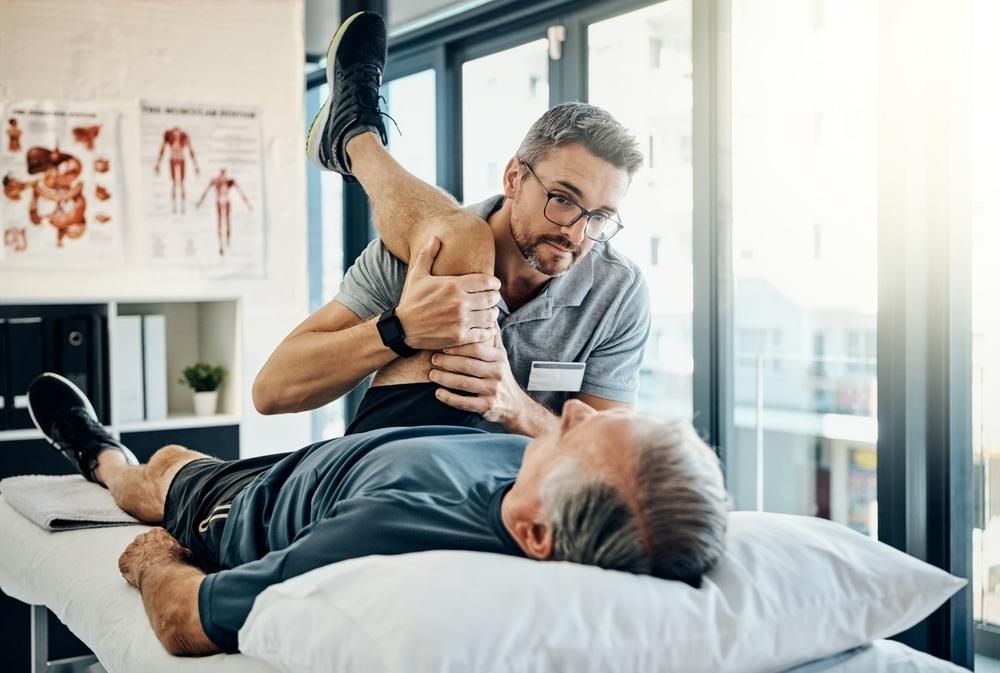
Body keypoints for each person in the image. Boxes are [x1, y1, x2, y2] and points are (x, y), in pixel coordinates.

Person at [28, 372, 727, 656]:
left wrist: (156, 560)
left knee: (162, 469)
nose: (573, 408)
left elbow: (185, 621)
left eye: (577, 432)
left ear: (536, 534)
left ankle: (100, 454)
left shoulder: (390, 534)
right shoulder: (549, 492)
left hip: (245, 503)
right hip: (358, 453)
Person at [254, 11, 650, 438]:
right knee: (458, 238)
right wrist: (399, 328)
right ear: (514, 178)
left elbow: (605, 456)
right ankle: (354, 138)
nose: (575, 232)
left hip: (514, 490)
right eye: (562, 199)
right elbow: (272, 391)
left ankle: (354, 138)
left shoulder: (617, 289)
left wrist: (516, 408)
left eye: (600, 217)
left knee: (457, 234)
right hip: (408, 472)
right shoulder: (420, 256)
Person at [195, 167, 252, 255]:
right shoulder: (216, 181)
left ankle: (228, 241)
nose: (222, 176)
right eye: (221, 174)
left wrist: (247, 203)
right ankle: (221, 245)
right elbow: (206, 191)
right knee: (220, 222)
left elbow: (240, 192)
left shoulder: (230, 181)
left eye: (224, 174)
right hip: (219, 202)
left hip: (226, 201)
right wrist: (200, 202)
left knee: (227, 221)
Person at [155, 126, 200, 214]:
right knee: (174, 183)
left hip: (181, 159)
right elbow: (162, 149)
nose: (176, 135)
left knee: (182, 184)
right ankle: (174, 207)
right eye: (175, 134)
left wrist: (196, 166)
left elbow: (191, 150)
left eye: (178, 133)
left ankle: (182, 206)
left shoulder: (184, 137)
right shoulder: (168, 137)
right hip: (173, 160)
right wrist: (158, 163)